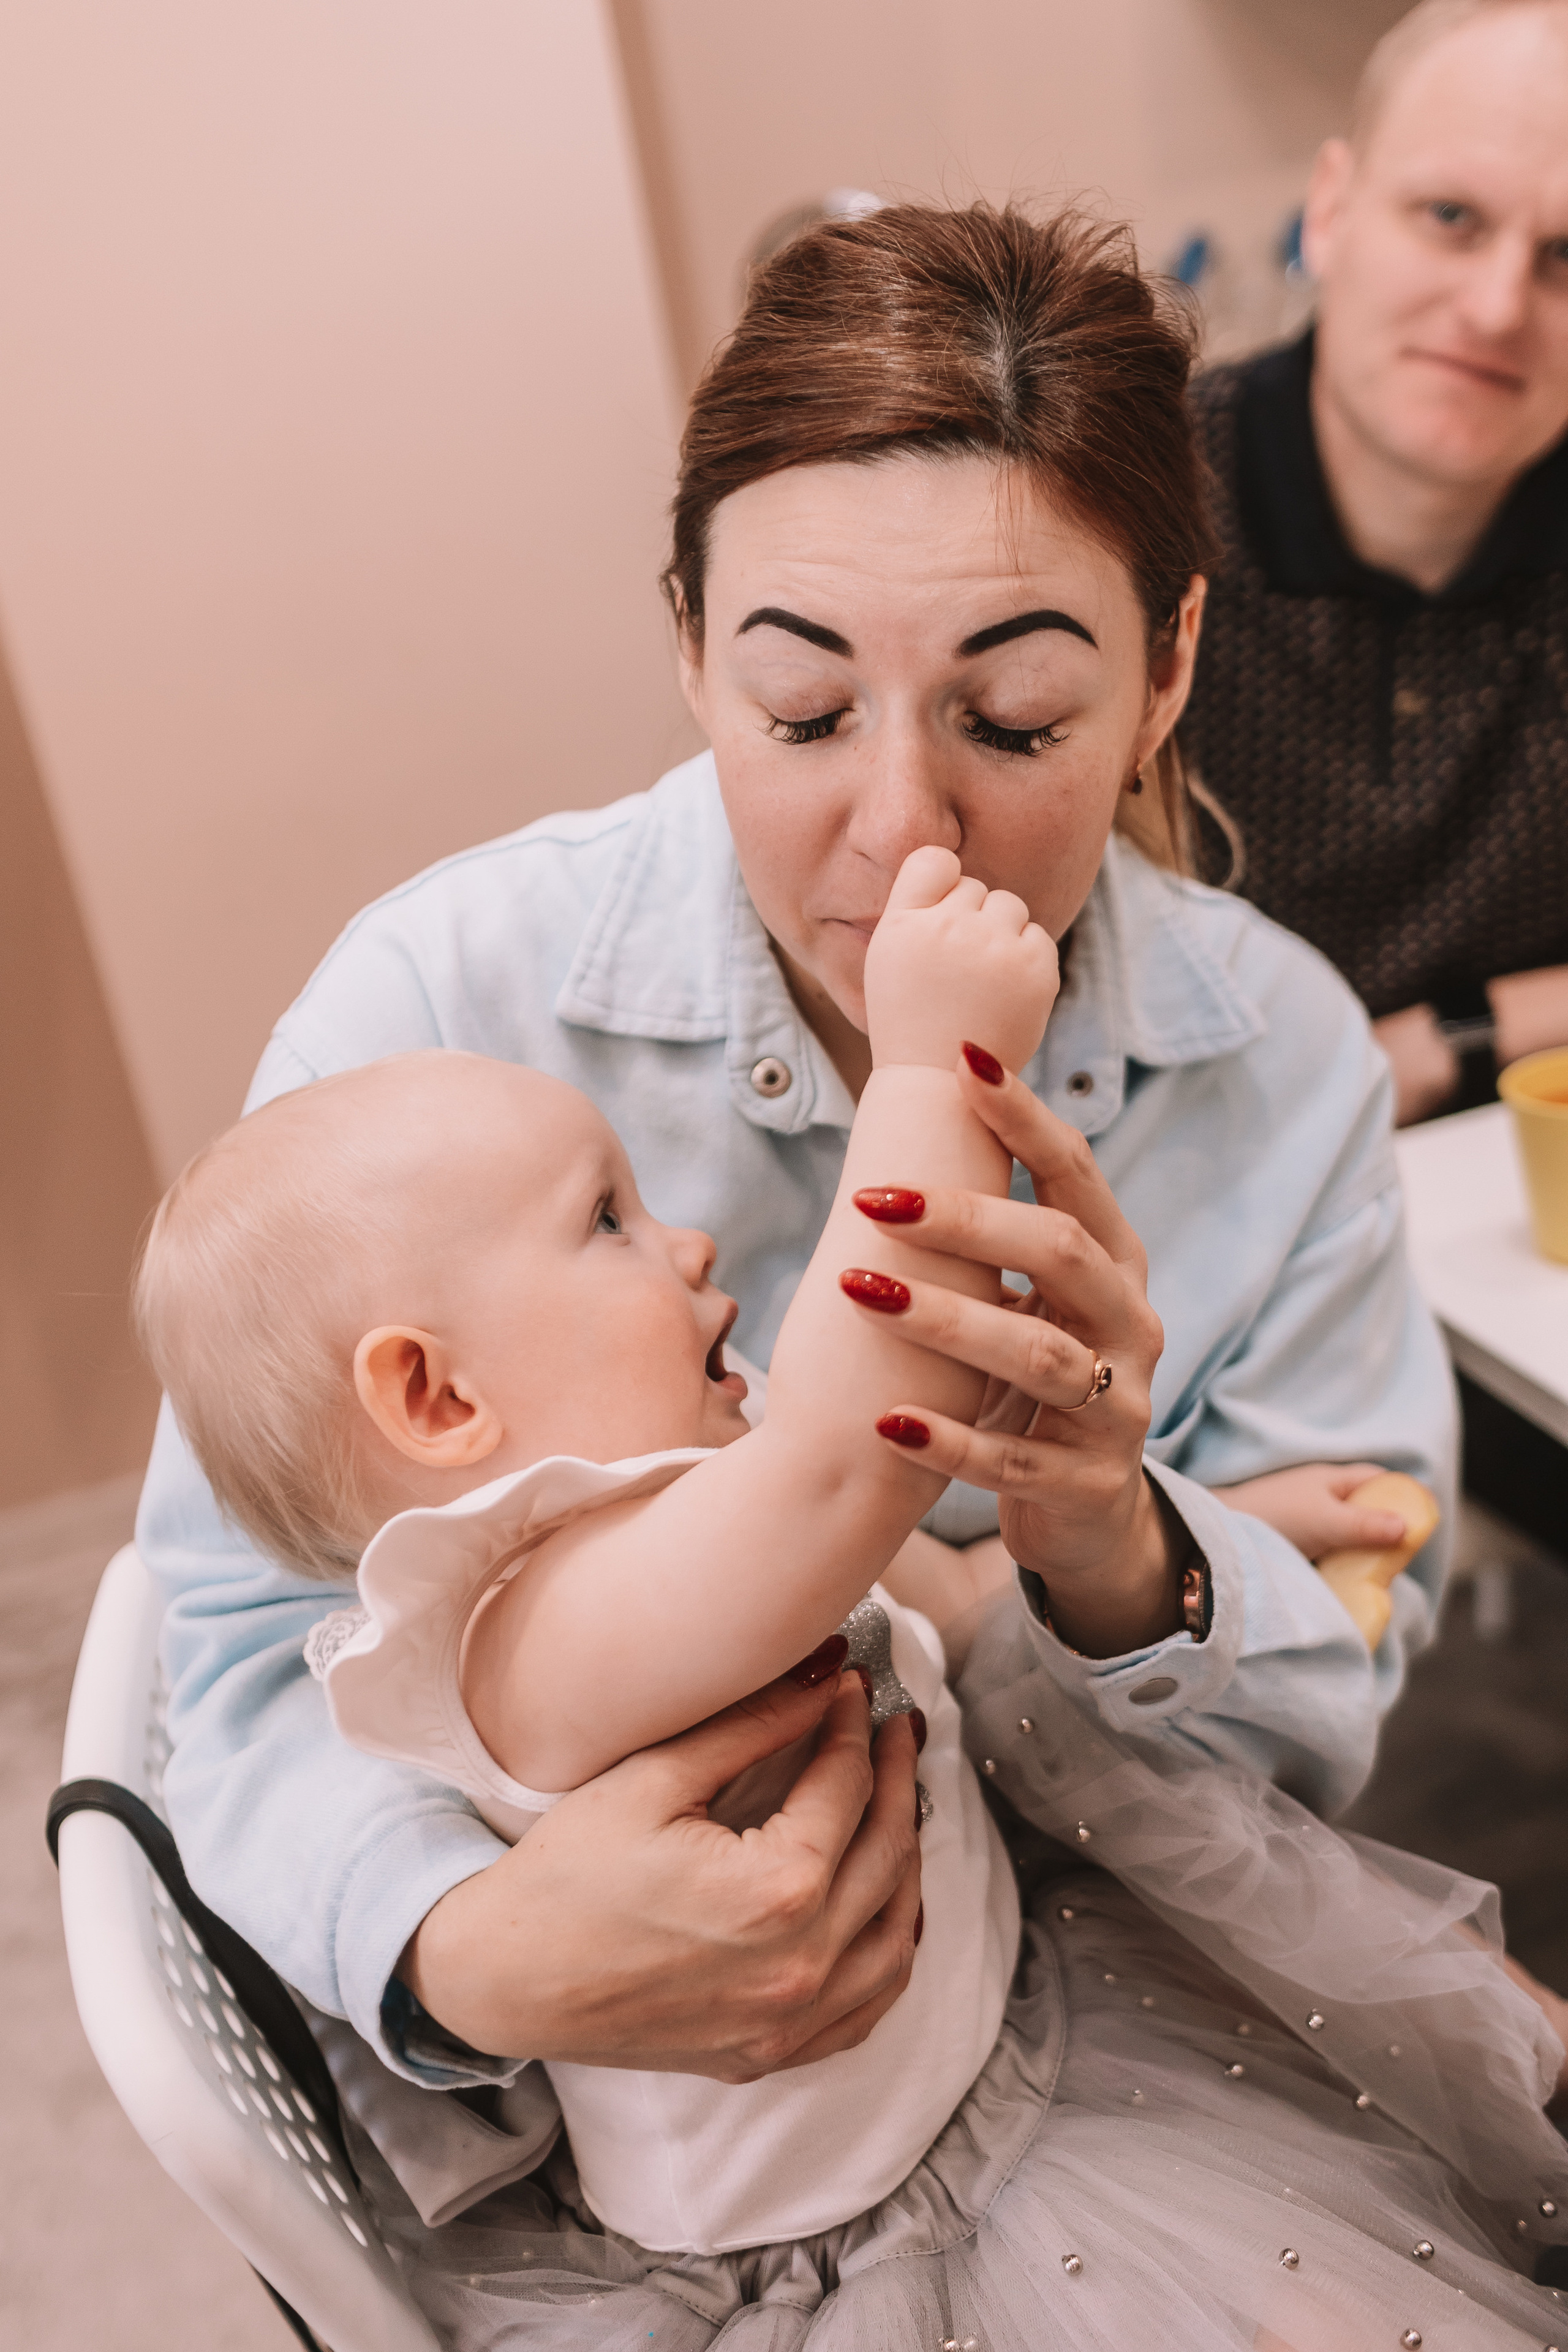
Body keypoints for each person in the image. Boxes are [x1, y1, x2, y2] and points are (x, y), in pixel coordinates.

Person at [136, 202, 1567, 2335]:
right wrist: (478, 1952)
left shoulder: (1274, 1061)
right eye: (803, 710)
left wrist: (1117, 1552)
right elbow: (241, 1649)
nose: (906, 831)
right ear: (690, 647)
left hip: (1097, 1965)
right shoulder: (440, 1000)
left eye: (1019, 720)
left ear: (1170, 668)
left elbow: (1327, 1691)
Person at [132, 945, 1568, 2339]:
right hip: (854, 2251)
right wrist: (931, 1064)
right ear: (437, 1398)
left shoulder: (704, 1509)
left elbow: (951, 1595)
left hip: (1026, 2030)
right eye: (608, 1220)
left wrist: (1179, 1520)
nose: (687, 1238)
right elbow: (843, 1465)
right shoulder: (527, 1630)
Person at [1180, 0, 1568, 1132]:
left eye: (1567, 257)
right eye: (1451, 217)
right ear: (1331, 210)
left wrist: (1452, 1036)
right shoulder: (1128, 517)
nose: (1496, 307)